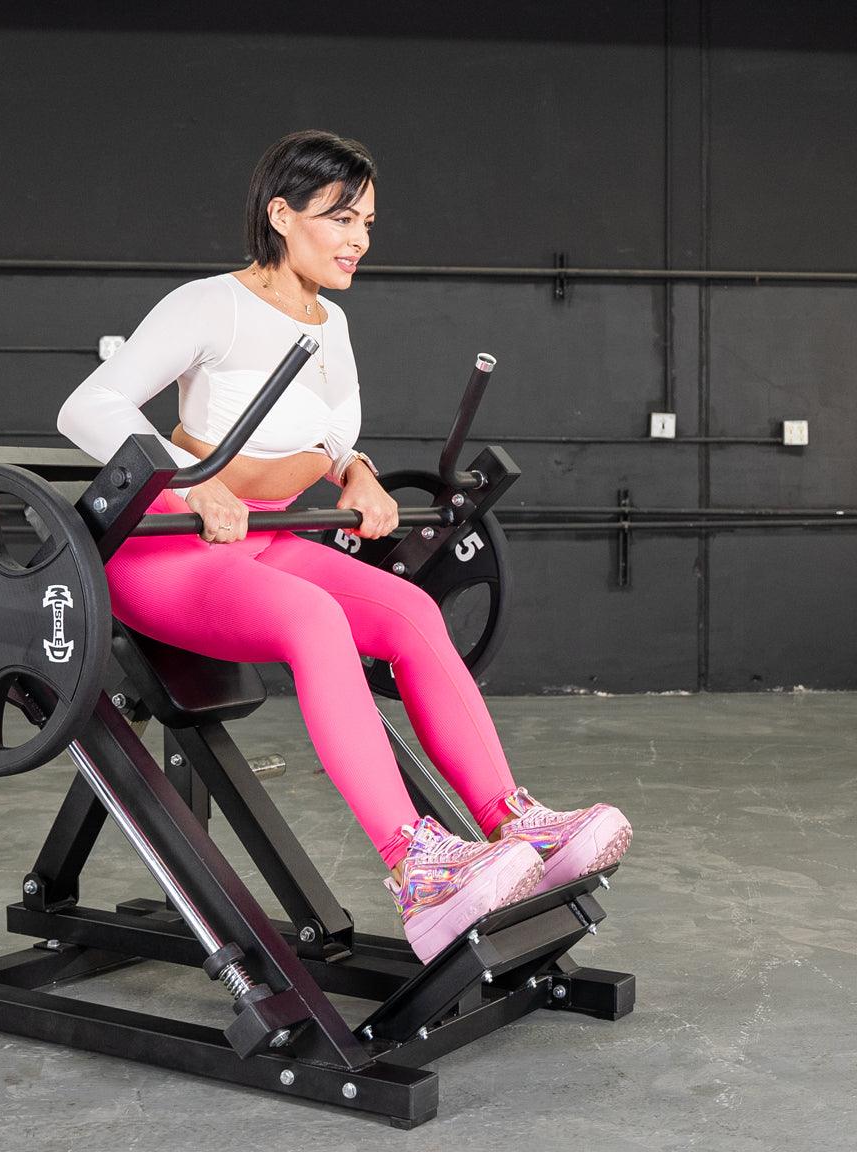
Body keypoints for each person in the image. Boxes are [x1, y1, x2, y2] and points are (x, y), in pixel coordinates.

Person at [57, 130, 632, 964]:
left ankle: (517, 824)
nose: (358, 236)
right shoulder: (209, 304)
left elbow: (329, 440)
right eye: (340, 217)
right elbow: (88, 406)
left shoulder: (333, 322)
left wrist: (358, 479)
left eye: (367, 219)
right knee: (317, 621)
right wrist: (190, 481)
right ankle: (418, 871)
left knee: (404, 607)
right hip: (165, 552)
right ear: (281, 215)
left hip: (267, 539)